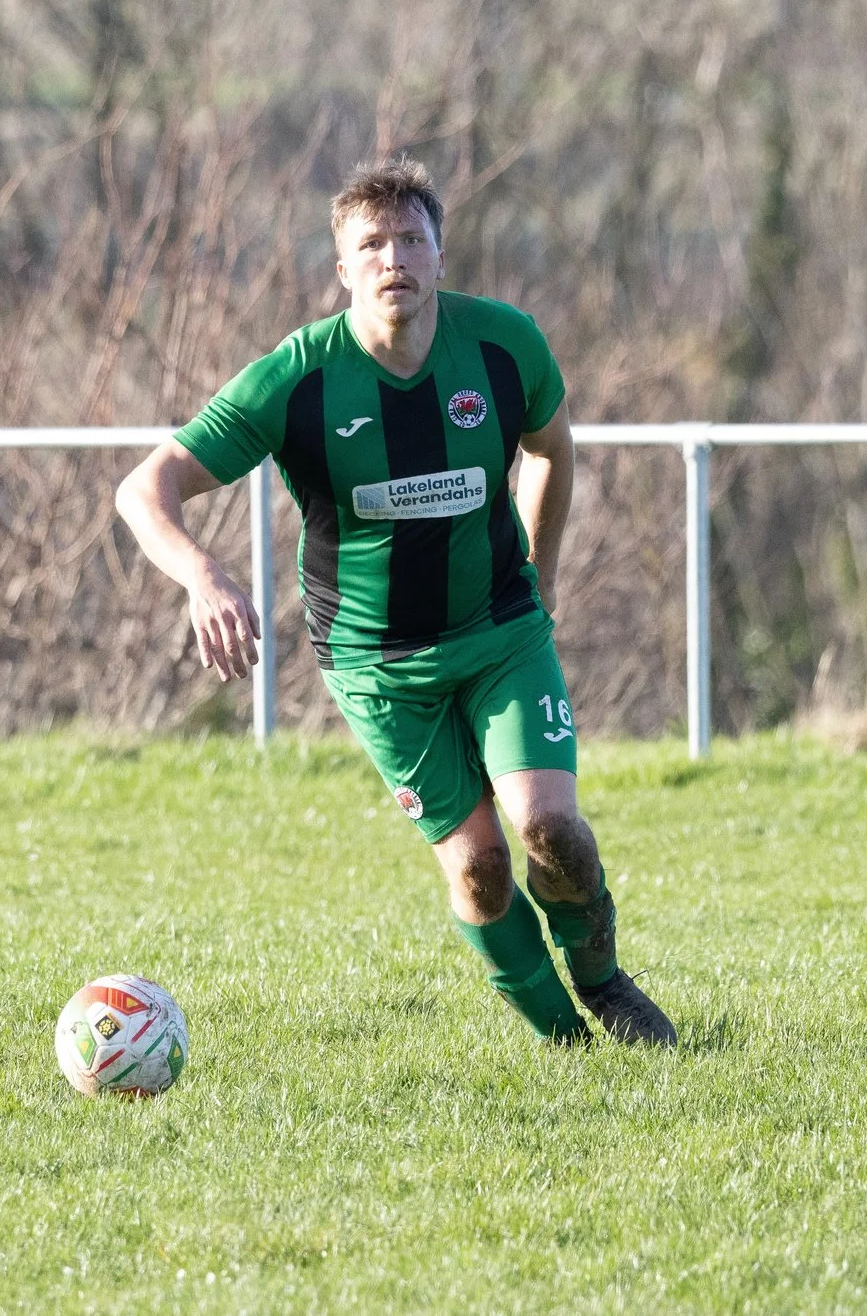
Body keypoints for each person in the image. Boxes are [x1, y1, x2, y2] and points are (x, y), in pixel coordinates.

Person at [113, 157, 676, 1047]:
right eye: (370, 245)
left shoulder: (503, 346)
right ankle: (564, 1041)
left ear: (441, 255)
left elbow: (554, 450)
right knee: (484, 869)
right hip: (379, 667)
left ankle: (608, 989)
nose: (392, 260)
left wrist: (543, 569)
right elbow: (145, 489)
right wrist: (204, 576)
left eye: (410, 239)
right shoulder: (298, 378)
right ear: (343, 270)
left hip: (501, 633)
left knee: (551, 829)